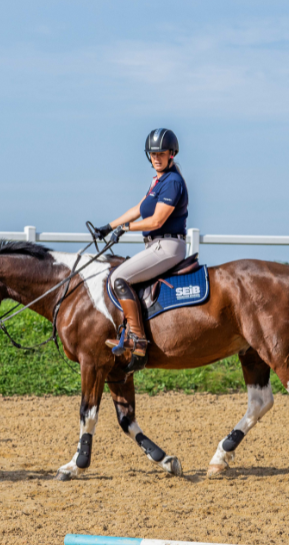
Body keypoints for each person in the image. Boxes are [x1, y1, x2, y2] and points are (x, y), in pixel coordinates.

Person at [89, 128, 189, 370]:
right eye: (153, 153)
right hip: (156, 245)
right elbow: (140, 208)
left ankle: (139, 341)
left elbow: (156, 221)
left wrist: (125, 227)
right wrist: (108, 226)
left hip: (168, 246)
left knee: (119, 277)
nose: (156, 157)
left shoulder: (173, 182)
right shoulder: (158, 181)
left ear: (171, 154)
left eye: (161, 153)